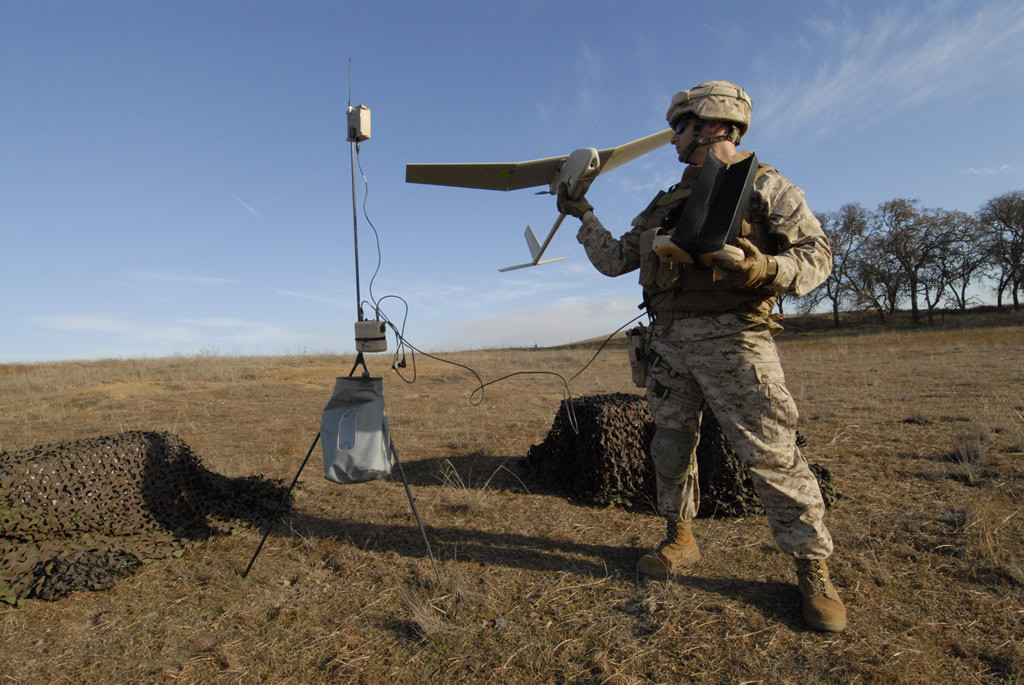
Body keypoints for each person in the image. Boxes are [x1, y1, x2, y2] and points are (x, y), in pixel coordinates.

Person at [556, 80, 846, 633]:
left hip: (737, 339)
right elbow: (617, 259)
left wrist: (762, 268)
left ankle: (813, 569)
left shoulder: (766, 186)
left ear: (713, 123)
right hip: (668, 341)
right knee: (669, 444)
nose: (672, 140)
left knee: (773, 455)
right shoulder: (666, 201)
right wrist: (581, 214)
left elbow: (817, 259)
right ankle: (679, 538)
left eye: (679, 127)